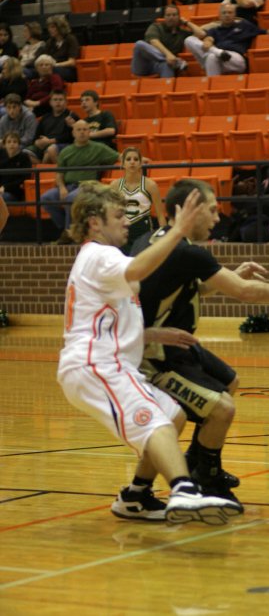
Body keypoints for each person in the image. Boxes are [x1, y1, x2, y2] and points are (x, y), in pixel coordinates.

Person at [130, 178, 269, 506]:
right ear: (186, 212)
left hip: (175, 345)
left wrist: (234, 273)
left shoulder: (156, 240)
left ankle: (198, 460)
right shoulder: (184, 251)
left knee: (229, 381)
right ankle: (206, 480)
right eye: (211, 210)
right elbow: (244, 292)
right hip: (151, 354)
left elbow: (187, 286)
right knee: (222, 410)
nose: (218, 218)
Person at [57, 181, 242, 525]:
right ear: (95, 223)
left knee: (172, 415)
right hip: (98, 366)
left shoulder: (99, 259)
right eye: (118, 215)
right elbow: (139, 269)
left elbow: (105, 319)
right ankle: (184, 489)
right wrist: (179, 231)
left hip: (103, 362)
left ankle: (137, 495)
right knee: (157, 422)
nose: (127, 221)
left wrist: (153, 334)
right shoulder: (101, 255)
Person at [41, 120, 119, 241]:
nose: (82, 132)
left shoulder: (99, 148)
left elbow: (119, 156)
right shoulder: (66, 152)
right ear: (73, 133)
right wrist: (62, 188)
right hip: (67, 185)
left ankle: (69, 234)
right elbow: (59, 174)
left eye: (85, 129)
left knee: (71, 198)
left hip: (87, 186)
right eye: (79, 130)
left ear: (89, 132)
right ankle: (67, 231)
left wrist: (138, 158)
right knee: (46, 198)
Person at [185, 3, 269, 76]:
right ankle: (214, 88)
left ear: (234, 15)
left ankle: (215, 53)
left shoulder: (244, 25)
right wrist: (208, 42)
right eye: (224, 13)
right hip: (220, 58)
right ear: (219, 16)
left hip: (236, 59)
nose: (227, 15)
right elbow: (209, 39)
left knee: (211, 56)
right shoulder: (215, 30)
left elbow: (265, 32)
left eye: (230, 12)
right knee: (190, 40)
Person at [110, 147, 166, 254]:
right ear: (122, 163)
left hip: (143, 228)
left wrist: (163, 237)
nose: (132, 162)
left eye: (136, 159)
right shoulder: (115, 185)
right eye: (128, 159)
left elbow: (160, 215)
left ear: (140, 163)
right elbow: (111, 213)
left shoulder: (150, 185)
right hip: (122, 228)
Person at [131, 5, 206, 78]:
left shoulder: (182, 33)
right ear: (164, 17)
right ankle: (177, 62)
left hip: (165, 64)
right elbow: (154, 41)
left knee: (167, 64)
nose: (171, 17)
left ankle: (166, 88)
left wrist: (186, 22)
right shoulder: (156, 27)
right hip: (145, 64)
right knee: (139, 44)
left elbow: (202, 34)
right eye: (168, 15)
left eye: (174, 15)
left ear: (179, 17)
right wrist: (168, 55)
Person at [24, 90, 79, 164]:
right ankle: (41, 166)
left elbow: (69, 138)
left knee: (49, 151)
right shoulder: (45, 117)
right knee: (23, 153)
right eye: (55, 100)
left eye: (60, 100)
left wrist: (50, 141)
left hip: (62, 145)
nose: (58, 102)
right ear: (50, 102)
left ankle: (43, 172)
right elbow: (36, 136)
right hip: (44, 145)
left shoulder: (71, 116)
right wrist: (37, 142)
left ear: (66, 102)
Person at [43, 15, 80, 83]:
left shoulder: (70, 39)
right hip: (52, 67)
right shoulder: (50, 42)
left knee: (52, 70)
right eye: (49, 27)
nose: (50, 29)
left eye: (53, 27)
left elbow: (71, 62)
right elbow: (46, 58)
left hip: (68, 69)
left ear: (60, 27)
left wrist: (55, 65)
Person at [0, 131, 31, 202]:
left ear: (18, 144)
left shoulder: (24, 157)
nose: (12, 144)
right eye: (9, 142)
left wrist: (5, 187)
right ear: (4, 145)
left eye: (14, 142)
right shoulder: (1, 155)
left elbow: (24, 178)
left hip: (14, 192)